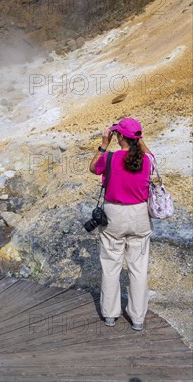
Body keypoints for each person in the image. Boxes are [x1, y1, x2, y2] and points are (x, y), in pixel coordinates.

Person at [89, 117, 154, 331]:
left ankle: (110, 315)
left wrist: (103, 144)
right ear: (137, 138)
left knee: (110, 265)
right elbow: (151, 157)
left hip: (114, 215)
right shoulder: (147, 160)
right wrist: (139, 138)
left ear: (118, 136)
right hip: (139, 215)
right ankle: (137, 318)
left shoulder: (109, 158)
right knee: (138, 268)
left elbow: (92, 168)